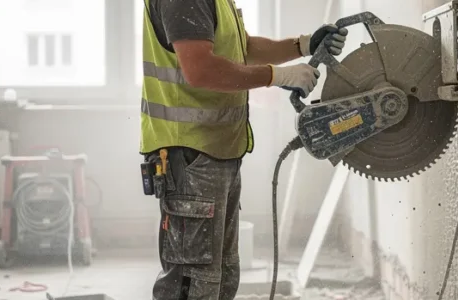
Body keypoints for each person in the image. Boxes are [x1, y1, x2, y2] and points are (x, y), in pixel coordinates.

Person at [139, 0, 347, 299]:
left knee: (221, 275)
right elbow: (200, 69)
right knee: (194, 282)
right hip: (189, 155)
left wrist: (302, 45)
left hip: (214, 151)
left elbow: (243, 48)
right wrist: (279, 76)